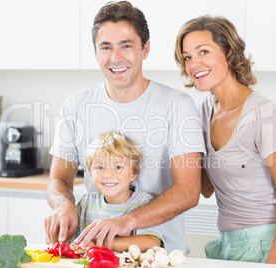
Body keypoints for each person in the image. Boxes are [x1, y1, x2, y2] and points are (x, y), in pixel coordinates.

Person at [44, 1, 205, 253]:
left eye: (126, 46)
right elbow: (58, 179)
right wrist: (62, 205)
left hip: (159, 257)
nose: (116, 58)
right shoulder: (75, 106)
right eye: (106, 47)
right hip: (96, 256)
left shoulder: (177, 105)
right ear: (96, 52)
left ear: (145, 48)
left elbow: (188, 191)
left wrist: (126, 221)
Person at [174, 15, 276, 265]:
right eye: (187, 56)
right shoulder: (203, 111)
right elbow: (206, 189)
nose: (193, 64)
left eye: (204, 51)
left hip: (269, 244)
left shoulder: (262, 113)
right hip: (228, 245)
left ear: (229, 53)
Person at [70, 131, 162, 254]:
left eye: (118, 167)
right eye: (100, 167)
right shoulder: (85, 204)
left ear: (133, 174)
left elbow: (152, 242)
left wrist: (101, 243)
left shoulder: (144, 203)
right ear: (91, 173)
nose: (108, 174)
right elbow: (73, 244)